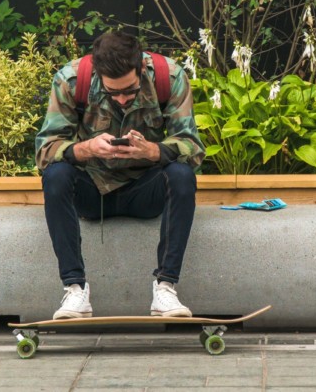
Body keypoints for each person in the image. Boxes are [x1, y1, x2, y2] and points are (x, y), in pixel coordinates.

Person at [35, 31, 205, 319]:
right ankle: (75, 290)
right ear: (99, 75)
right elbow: (44, 151)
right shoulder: (72, 79)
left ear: (141, 69)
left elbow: (193, 148)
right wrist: (86, 148)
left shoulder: (170, 76)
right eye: (114, 92)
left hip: (145, 191)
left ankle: (165, 288)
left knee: (181, 175)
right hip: (92, 193)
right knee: (56, 176)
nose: (123, 99)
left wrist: (152, 151)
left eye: (130, 90)